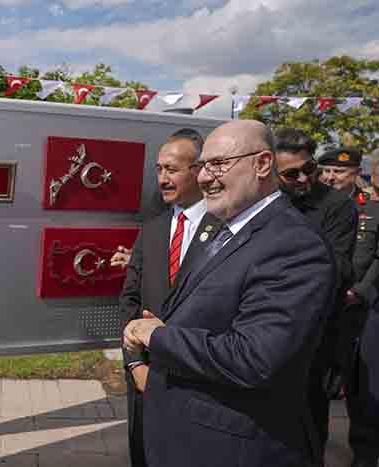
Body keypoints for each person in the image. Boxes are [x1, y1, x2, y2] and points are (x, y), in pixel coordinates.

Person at [123, 120, 336, 467]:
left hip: (231, 448)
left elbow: (256, 357)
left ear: (263, 164)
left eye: (219, 163)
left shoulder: (293, 244)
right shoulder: (225, 229)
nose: (205, 176)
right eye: (203, 165)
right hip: (183, 436)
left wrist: (159, 337)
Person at [114, 128, 221, 467]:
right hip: (146, 373)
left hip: (199, 377)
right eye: (158, 169)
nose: (162, 178)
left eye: (171, 169)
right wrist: (135, 364)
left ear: (198, 170)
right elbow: (129, 298)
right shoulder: (154, 227)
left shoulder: (226, 227)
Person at [275, 129, 357, 458]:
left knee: (308, 430)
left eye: (309, 168)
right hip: (264, 334)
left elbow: (336, 270)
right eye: (291, 173)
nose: (304, 178)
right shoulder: (265, 202)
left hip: (315, 338)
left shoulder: (336, 206)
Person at [318, 147, 379, 467]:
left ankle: (364, 456)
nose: (330, 177)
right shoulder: (313, 204)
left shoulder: (370, 207)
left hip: (360, 311)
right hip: (321, 308)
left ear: (356, 172)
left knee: (360, 387)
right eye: (326, 170)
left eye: (338, 172)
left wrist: (359, 291)